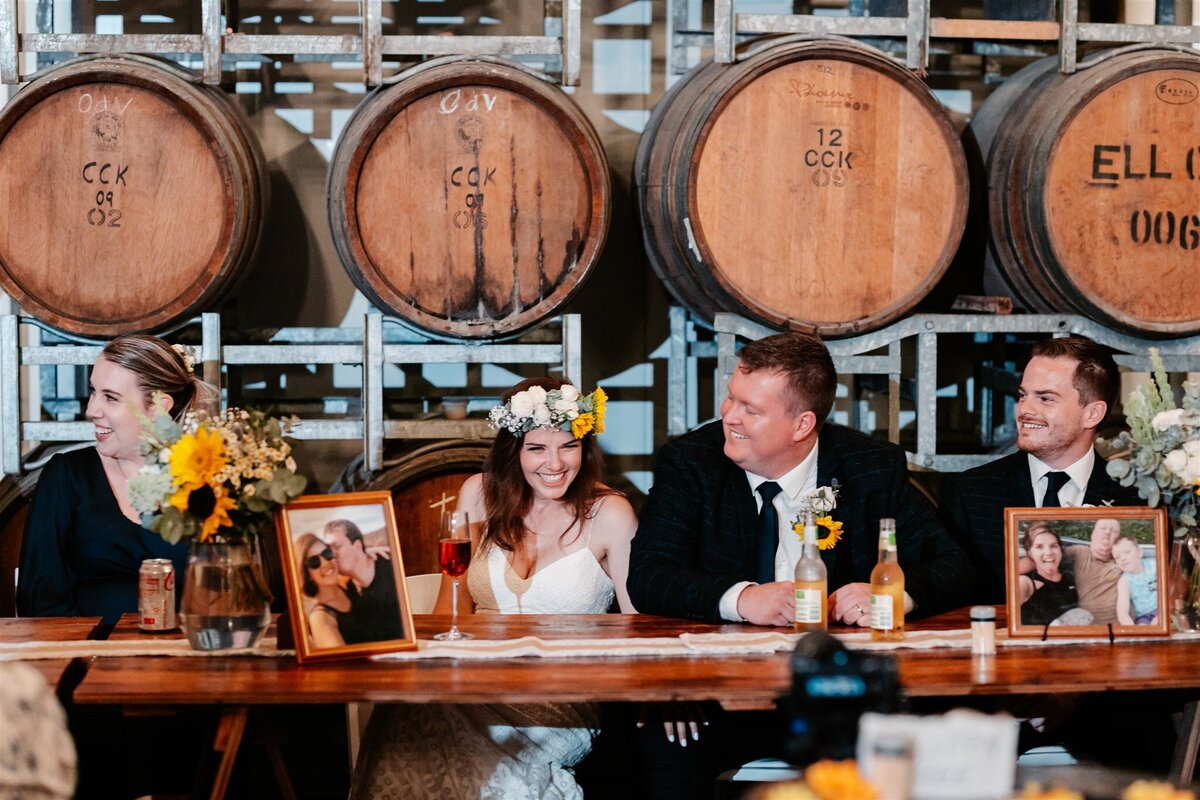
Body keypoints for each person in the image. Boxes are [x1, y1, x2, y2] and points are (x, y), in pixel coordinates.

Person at [626, 332, 973, 797]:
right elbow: (649, 573)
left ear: (802, 424)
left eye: (751, 409)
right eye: (731, 399)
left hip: (844, 696)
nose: (730, 416)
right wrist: (742, 599)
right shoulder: (691, 463)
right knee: (661, 753)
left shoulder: (869, 466)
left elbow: (954, 563)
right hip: (716, 695)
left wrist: (891, 594)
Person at [350, 376, 637, 800]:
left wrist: (670, 696)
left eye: (568, 446)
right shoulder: (478, 495)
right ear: (513, 451)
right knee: (410, 714)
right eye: (536, 448)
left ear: (585, 446)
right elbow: (454, 603)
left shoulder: (610, 513)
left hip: (564, 694)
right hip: (475, 680)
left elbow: (638, 622)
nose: (554, 463)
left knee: (436, 730)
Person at [17, 334, 216, 623]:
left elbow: (227, 593)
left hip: (184, 657)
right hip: (87, 658)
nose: (91, 410)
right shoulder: (68, 475)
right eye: (93, 391)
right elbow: (40, 600)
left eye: (110, 397)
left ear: (159, 407)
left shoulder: (208, 482)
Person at [942, 336, 1143, 604]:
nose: (1025, 409)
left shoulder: (1135, 498)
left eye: (1046, 398)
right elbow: (947, 594)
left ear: (1093, 414)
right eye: (1023, 395)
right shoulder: (969, 494)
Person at [323, 518, 404, 644]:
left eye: (337, 546)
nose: (332, 554)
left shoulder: (390, 569)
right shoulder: (350, 588)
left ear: (357, 546)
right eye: (328, 549)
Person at [1018, 522, 1083, 626]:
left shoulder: (1071, 577)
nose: (1048, 552)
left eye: (1053, 546)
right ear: (1030, 553)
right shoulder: (1025, 583)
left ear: (1060, 550)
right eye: (1039, 547)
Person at [293, 532, 351, 648]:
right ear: (307, 574)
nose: (325, 563)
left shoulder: (349, 586)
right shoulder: (320, 618)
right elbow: (342, 665)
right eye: (314, 562)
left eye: (327, 553)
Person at [1113, 536, 1158, 625]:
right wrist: (1133, 630)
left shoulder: (1155, 565)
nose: (1122, 558)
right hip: (1143, 616)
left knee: (1157, 623)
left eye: (1127, 552)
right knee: (1142, 629)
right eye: (1117, 557)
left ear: (1140, 552)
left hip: (1163, 610)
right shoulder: (1124, 581)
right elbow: (1122, 612)